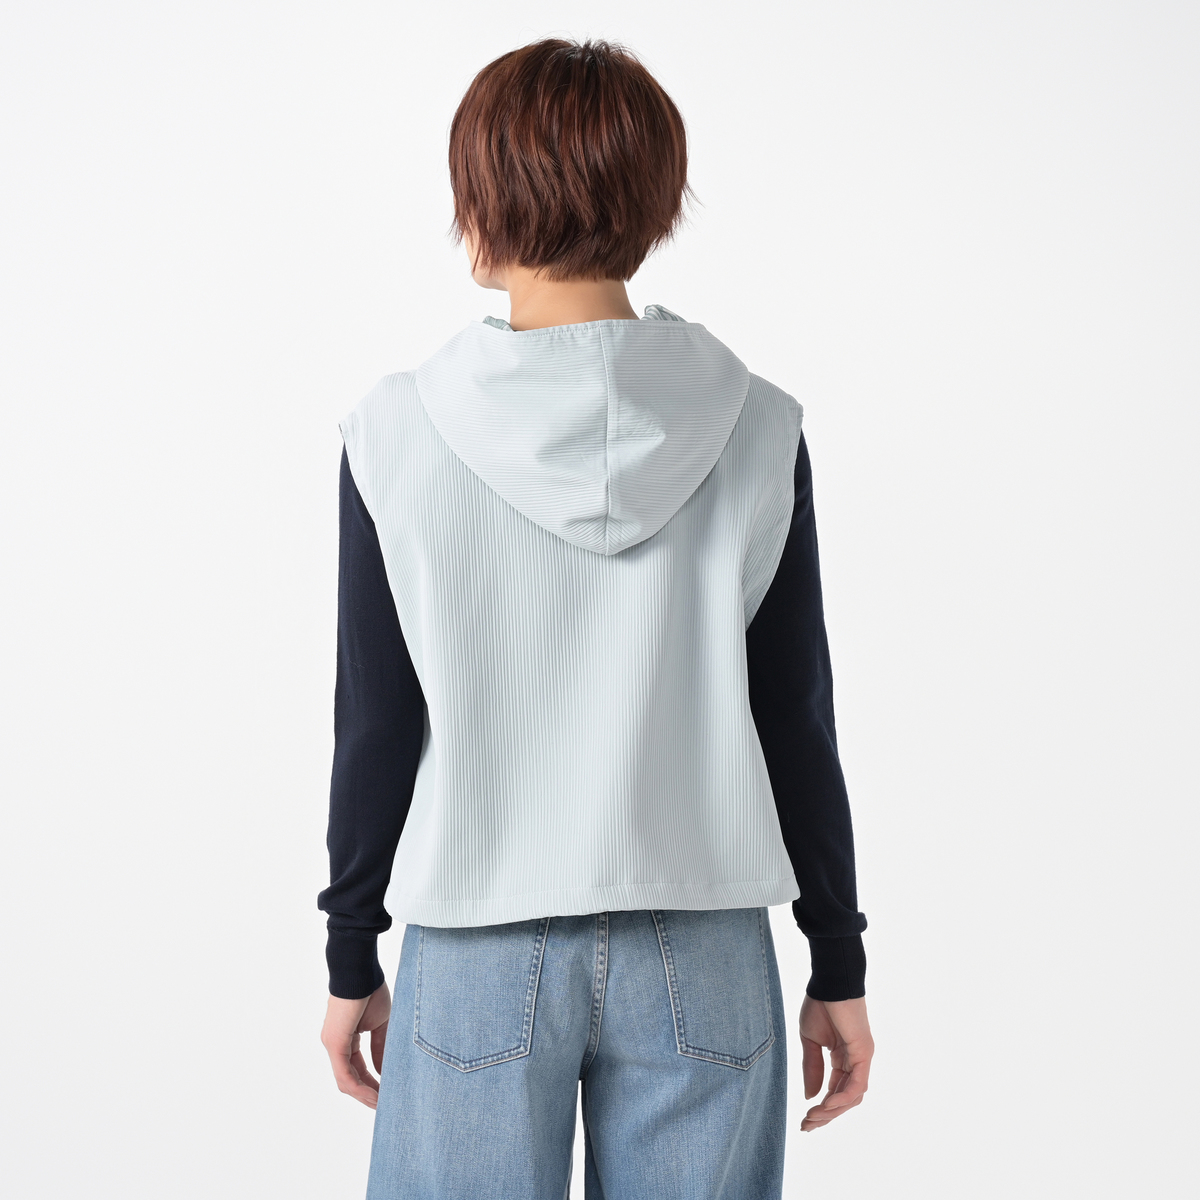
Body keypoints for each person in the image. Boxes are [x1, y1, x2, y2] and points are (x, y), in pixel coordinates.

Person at [317, 37, 872, 1200]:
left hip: (476, 936)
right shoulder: (757, 426)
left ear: (481, 207)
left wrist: (350, 947)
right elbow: (795, 716)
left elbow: (377, 723)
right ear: (655, 204)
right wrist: (837, 955)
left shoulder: (398, 434)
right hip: (704, 936)